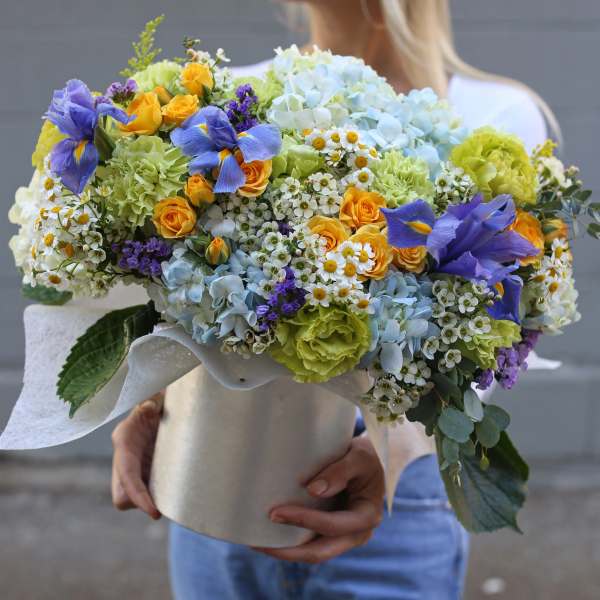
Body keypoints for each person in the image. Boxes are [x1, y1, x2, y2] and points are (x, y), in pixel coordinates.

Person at [111, 1, 554, 598]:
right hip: (213, 474)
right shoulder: (228, 99)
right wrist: (146, 404)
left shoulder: (495, 120)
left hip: (396, 504)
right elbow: (173, 304)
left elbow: (495, 340)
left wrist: (392, 453)